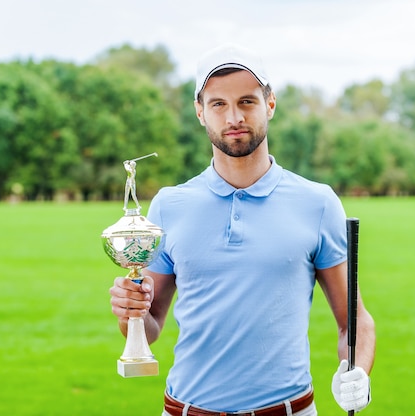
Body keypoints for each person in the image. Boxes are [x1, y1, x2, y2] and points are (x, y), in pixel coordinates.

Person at [110, 44, 376, 416]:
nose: (233, 116)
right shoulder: (169, 205)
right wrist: (130, 314)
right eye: (218, 104)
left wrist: (357, 370)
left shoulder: (318, 202)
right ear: (200, 112)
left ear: (270, 104)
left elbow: (354, 321)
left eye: (247, 101)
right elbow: (151, 324)